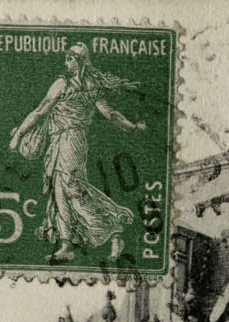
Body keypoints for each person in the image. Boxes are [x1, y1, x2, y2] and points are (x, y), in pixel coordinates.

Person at [8, 42, 146, 262]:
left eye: (70, 58)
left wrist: (18, 136)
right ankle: (67, 245)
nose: (66, 62)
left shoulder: (63, 84)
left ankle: (114, 228)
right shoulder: (90, 85)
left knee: (73, 190)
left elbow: (40, 110)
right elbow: (111, 115)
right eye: (66, 57)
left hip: (70, 141)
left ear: (79, 61)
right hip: (62, 141)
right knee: (59, 191)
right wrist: (134, 127)